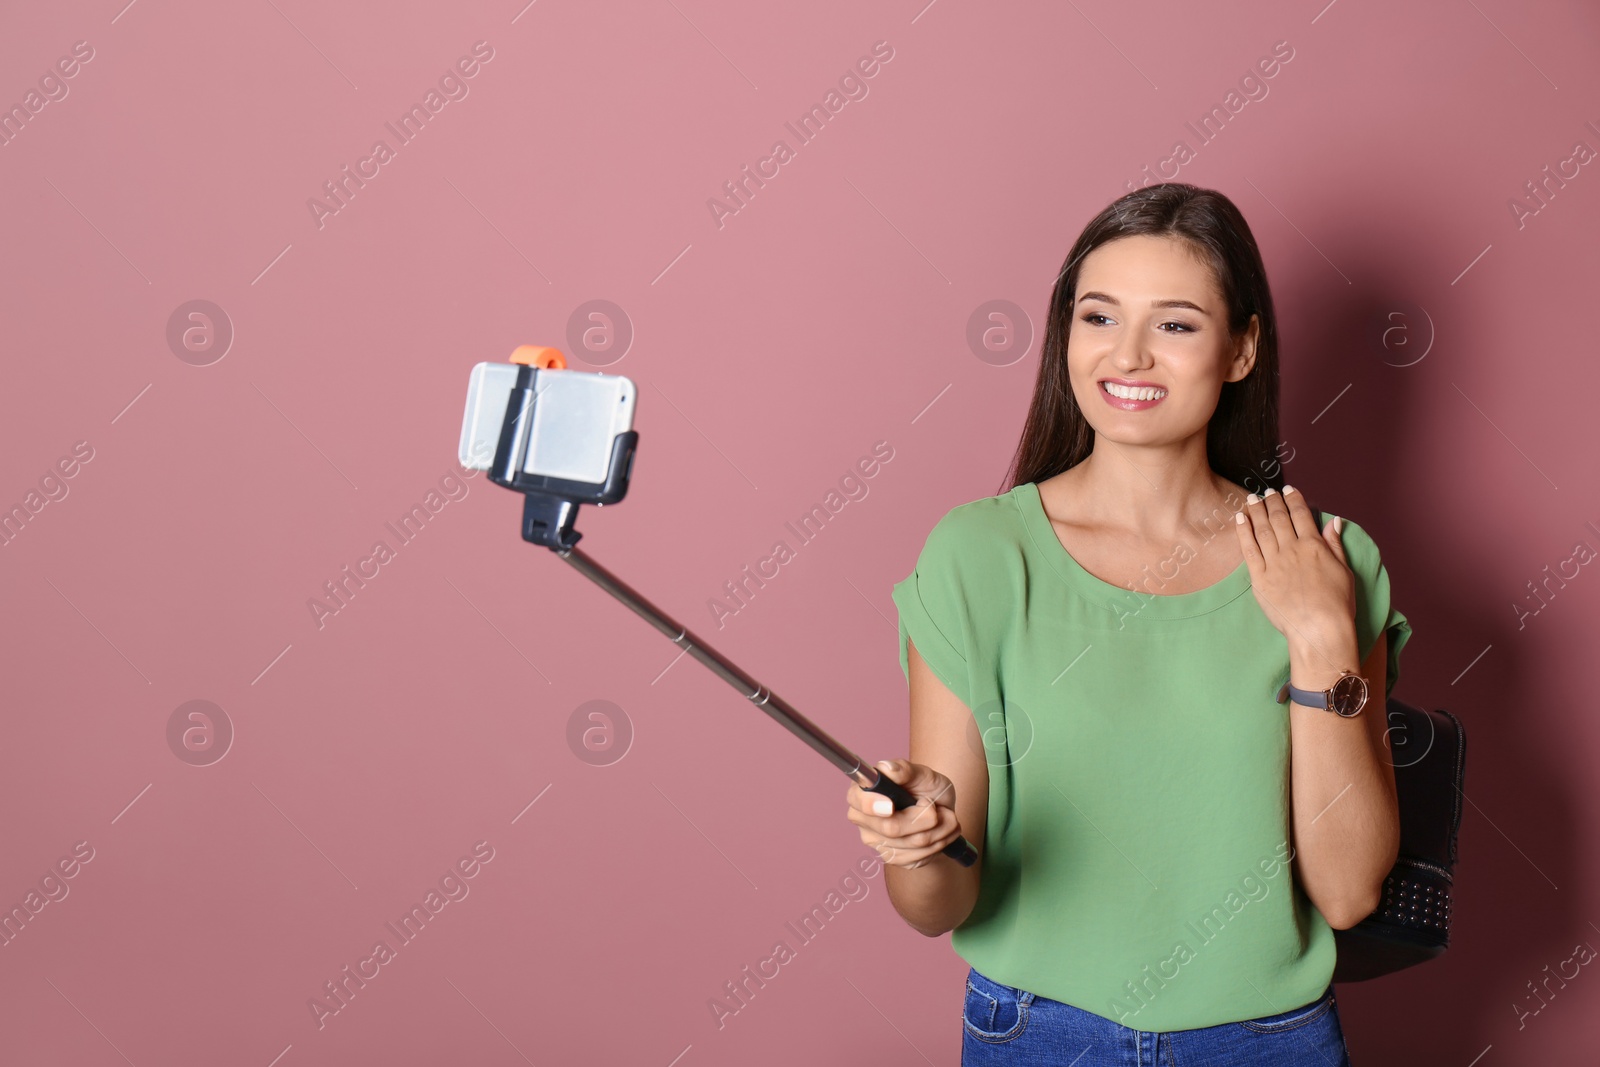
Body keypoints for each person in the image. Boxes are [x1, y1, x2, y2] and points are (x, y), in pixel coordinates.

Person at [845, 182, 1413, 1065]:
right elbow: (940, 907)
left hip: (1267, 1039)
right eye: (1099, 317)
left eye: (1177, 325)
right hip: (1038, 1031)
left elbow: (1346, 891)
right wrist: (919, 844)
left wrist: (1322, 637)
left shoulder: (1329, 559)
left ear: (1241, 348)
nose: (1129, 356)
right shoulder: (980, 556)